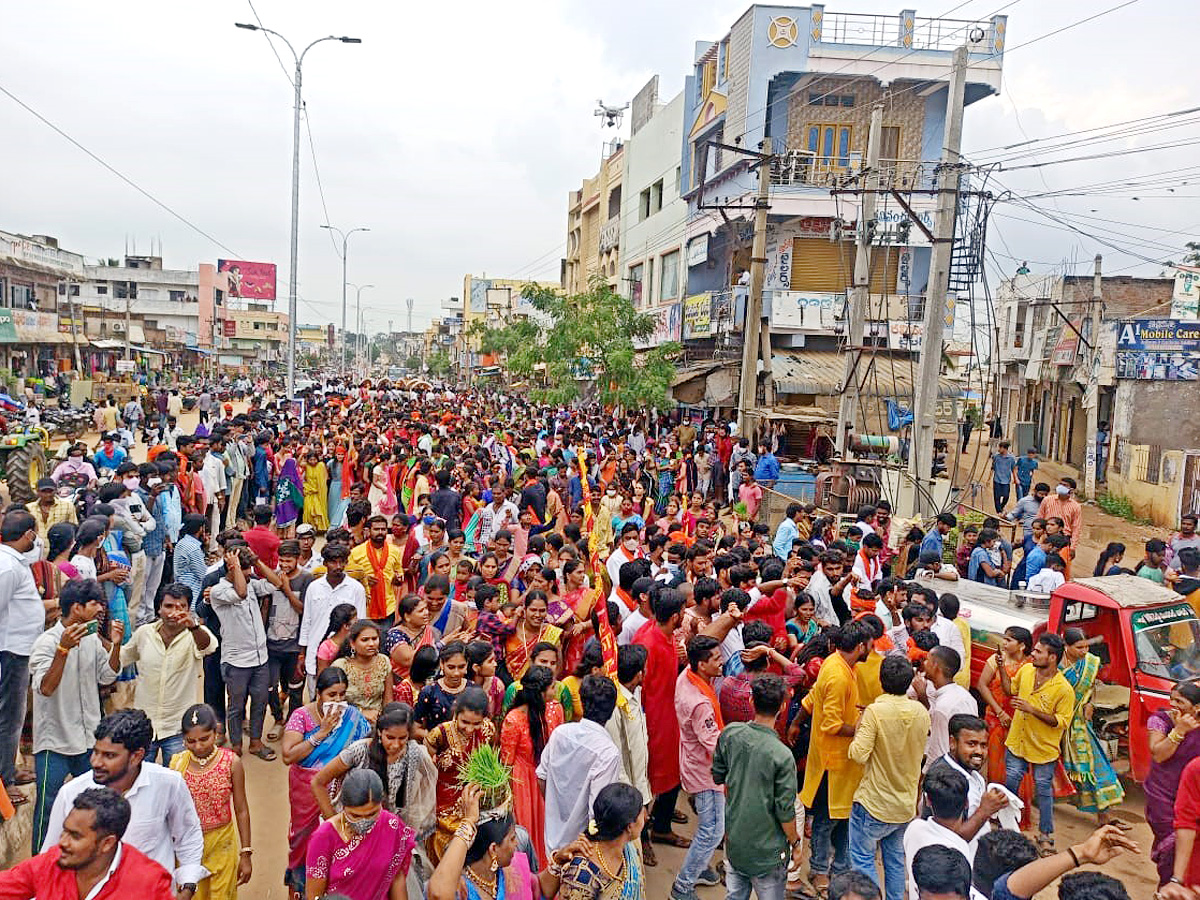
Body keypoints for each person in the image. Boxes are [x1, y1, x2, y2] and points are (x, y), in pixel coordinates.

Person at [40, 709, 207, 898]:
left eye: (109, 756)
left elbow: (188, 836)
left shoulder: (169, 784)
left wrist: (187, 887)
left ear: (136, 756)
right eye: (95, 752)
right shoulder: (71, 794)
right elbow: (51, 857)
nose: (96, 762)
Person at [29, 577, 121, 851]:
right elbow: (45, 688)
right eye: (94, 602)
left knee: (97, 803)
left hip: (88, 740)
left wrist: (115, 645)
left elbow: (107, 676)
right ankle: (39, 866)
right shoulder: (46, 643)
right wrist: (63, 650)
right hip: (53, 742)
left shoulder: (92, 639)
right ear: (77, 608)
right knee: (47, 807)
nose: (100, 607)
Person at [281, 667, 372, 896]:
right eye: (332, 695)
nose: (338, 701)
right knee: (303, 840)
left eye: (342, 694)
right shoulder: (301, 716)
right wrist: (320, 734)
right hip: (306, 791)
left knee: (337, 840)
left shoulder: (352, 716)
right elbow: (288, 756)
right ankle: (299, 889)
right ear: (319, 693)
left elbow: (364, 747)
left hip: (341, 791)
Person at [847, 655, 931, 900]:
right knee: (894, 860)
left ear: (881, 680)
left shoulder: (875, 711)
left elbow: (857, 754)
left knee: (863, 860)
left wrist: (861, 721)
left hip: (874, 803)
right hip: (904, 805)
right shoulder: (920, 711)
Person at [0, 786, 177, 899]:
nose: (62, 842)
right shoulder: (52, 861)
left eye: (75, 836)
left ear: (107, 843)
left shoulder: (150, 884)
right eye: (64, 831)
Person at [714, 673, 801, 900]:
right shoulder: (782, 755)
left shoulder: (730, 734)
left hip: (735, 843)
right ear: (783, 707)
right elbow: (785, 811)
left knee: (734, 894)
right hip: (768, 853)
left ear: (752, 701)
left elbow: (718, 775)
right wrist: (796, 843)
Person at [800, 623, 871, 894]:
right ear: (861, 646)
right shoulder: (839, 675)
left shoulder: (837, 663)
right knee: (827, 821)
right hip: (834, 763)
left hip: (843, 764)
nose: (872, 650)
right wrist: (863, 726)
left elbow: (813, 697)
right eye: (869, 645)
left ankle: (840, 869)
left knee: (843, 819)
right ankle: (819, 869)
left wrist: (796, 723)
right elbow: (831, 724)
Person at [120, 583, 217, 765]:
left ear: (188, 610)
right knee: (140, 781)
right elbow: (122, 658)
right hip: (144, 726)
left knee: (176, 782)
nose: (174, 612)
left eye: (181, 607)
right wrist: (110, 641)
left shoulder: (196, 634)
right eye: (169, 606)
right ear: (159, 609)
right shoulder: (144, 634)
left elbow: (209, 646)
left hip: (178, 728)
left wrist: (193, 627)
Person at [426, 782, 574, 900]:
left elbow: (538, 890)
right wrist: (469, 822)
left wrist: (557, 862)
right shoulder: (460, 888)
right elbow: (438, 894)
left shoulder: (511, 873)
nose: (517, 844)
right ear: (493, 849)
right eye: (512, 838)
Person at [1001, 633, 1075, 855]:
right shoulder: (1025, 671)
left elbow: (1062, 722)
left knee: (1043, 791)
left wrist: (1032, 710)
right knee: (1011, 781)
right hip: (1017, 741)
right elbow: (1010, 690)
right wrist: (1000, 668)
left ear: (1052, 658)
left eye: (1038, 651)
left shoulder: (1063, 689)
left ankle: (1045, 835)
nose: (1032, 653)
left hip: (1043, 749)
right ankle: (1007, 826)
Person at [171, 705, 252, 900]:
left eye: (204, 739)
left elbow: (241, 809)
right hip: (188, 847)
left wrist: (246, 853)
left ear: (216, 732)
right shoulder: (176, 764)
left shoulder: (231, 762)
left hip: (222, 844)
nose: (198, 746)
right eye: (191, 741)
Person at [537, 673, 622, 854]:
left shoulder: (561, 733)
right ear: (612, 709)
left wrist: (556, 808)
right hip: (580, 849)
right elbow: (597, 812)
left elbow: (541, 778)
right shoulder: (608, 752)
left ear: (582, 703)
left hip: (551, 838)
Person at [631, 588, 688, 848]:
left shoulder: (663, 636)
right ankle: (642, 837)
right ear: (676, 616)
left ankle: (662, 824)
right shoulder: (648, 642)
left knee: (671, 775)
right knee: (646, 780)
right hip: (653, 722)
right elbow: (637, 689)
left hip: (668, 717)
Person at [305, 768, 416, 900]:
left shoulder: (392, 826)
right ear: (343, 806)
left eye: (372, 814)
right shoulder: (324, 837)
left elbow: (397, 878)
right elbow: (315, 895)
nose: (363, 822)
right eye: (355, 815)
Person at [671, 636, 726, 900]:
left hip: (693, 763)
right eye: (716, 658)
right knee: (712, 830)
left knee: (708, 825)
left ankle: (700, 867)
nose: (722, 661)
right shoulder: (700, 703)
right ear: (702, 664)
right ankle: (683, 886)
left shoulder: (688, 675)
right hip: (706, 774)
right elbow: (713, 745)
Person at [1059, 627, 1127, 827]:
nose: (1084, 651)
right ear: (1066, 646)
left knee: (1093, 768)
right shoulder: (1055, 665)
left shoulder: (1089, 663)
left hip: (1079, 725)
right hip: (1055, 724)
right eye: (1079, 647)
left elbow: (1091, 687)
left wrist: (1090, 704)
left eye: (1086, 646)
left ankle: (1105, 817)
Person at [0, 508, 46, 805]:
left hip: (20, 649)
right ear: (27, 534)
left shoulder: (14, 560)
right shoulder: (7, 567)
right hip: (11, 651)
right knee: (10, 717)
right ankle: (4, 781)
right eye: (34, 535)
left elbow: (35, 553)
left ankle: (9, 770)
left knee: (13, 717)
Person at [500, 664, 565, 867]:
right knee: (527, 828)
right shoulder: (513, 720)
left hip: (548, 778)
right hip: (523, 784)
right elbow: (506, 764)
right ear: (540, 693)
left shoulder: (555, 710)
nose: (555, 691)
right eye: (552, 687)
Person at [425, 686, 497, 862]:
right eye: (465, 722)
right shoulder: (439, 734)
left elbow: (492, 760)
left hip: (476, 798)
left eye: (476, 723)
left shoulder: (488, 730)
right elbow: (425, 767)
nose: (470, 729)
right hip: (443, 802)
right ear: (455, 713)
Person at [555, 782, 649, 900]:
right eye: (641, 812)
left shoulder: (630, 847)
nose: (647, 817)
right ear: (629, 826)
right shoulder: (582, 876)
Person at [923, 714, 1009, 842]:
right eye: (971, 744)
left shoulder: (973, 774)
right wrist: (985, 811)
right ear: (952, 743)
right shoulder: (943, 779)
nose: (979, 751)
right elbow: (950, 839)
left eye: (983, 745)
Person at [1147, 682, 1200, 885]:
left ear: (1196, 707)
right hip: (1162, 798)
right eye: (1171, 698)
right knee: (1172, 850)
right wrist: (1179, 730)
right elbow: (1158, 754)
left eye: (1180, 701)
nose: (1172, 704)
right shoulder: (1160, 720)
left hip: (1191, 796)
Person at [299, 543, 367, 695]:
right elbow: (307, 622)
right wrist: (302, 654)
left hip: (345, 657)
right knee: (317, 698)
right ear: (324, 563)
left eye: (342, 561)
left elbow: (360, 626)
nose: (338, 566)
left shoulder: (356, 589)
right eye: (333, 562)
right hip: (315, 653)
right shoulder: (314, 587)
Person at [915, 647, 977, 766]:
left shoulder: (942, 707)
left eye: (927, 660)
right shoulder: (966, 696)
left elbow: (938, 751)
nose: (924, 663)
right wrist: (923, 697)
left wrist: (925, 775)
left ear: (935, 667)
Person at [346, 514, 405, 627]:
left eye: (383, 529)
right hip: (365, 608)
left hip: (388, 607)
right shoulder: (356, 552)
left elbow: (399, 573)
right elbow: (349, 578)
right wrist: (364, 580)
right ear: (368, 531)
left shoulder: (395, 551)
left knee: (383, 640)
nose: (380, 532)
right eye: (376, 529)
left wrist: (397, 579)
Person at [333, 620, 393, 724]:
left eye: (374, 639)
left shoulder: (384, 661)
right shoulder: (341, 666)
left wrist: (384, 722)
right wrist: (361, 712)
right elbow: (332, 702)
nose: (371, 644)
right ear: (352, 643)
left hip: (377, 722)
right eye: (365, 640)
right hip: (347, 722)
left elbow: (388, 700)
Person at [990, 442, 1018, 512]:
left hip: (1006, 480)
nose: (998, 449)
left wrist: (1015, 478)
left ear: (1004, 448)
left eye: (1000, 447)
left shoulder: (1011, 458)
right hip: (997, 479)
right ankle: (998, 511)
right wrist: (989, 478)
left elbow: (1013, 469)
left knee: (1006, 496)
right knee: (997, 497)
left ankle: (1001, 507)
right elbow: (992, 467)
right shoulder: (996, 457)